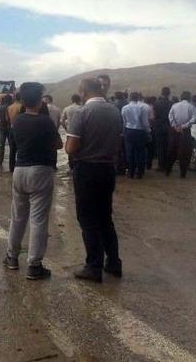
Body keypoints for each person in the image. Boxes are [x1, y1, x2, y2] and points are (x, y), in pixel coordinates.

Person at [66, 77, 123, 283]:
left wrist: (68, 147)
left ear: (83, 92)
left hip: (87, 169)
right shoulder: (115, 111)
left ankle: (93, 266)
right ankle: (114, 262)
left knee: (88, 219)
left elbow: (71, 148)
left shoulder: (82, 113)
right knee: (105, 217)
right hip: (108, 168)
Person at [3, 82, 61, 281]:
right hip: (41, 171)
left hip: (20, 170)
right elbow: (58, 144)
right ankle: (34, 265)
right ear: (40, 99)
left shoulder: (17, 121)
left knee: (18, 216)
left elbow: (14, 142)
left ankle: (11, 257)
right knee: (38, 219)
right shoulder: (45, 122)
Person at [165, 91, 196, 178]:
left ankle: (167, 170)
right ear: (189, 97)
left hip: (174, 130)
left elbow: (170, 116)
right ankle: (183, 173)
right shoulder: (192, 107)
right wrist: (183, 126)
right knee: (184, 152)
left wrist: (175, 126)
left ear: (181, 97)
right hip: (185, 131)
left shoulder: (174, 105)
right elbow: (193, 119)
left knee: (171, 150)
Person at [121, 92, 150, 179]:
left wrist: (124, 131)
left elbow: (124, 121)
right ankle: (139, 172)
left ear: (129, 98)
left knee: (130, 153)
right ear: (137, 98)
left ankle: (131, 172)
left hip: (129, 131)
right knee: (140, 152)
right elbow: (145, 123)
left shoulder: (125, 108)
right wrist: (148, 131)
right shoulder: (142, 108)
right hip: (140, 132)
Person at [153, 87, 172, 171]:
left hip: (159, 127)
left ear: (161, 93)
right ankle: (168, 165)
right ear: (169, 93)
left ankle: (161, 166)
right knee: (168, 147)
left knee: (160, 147)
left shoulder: (157, 103)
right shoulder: (172, 103)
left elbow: (155, 116)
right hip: (169, 127)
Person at [6, 92, 23, 172]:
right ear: (21, 98)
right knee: (21, 149)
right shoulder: (21, 107)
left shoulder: (9, 107)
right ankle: (20, 166)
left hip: (12, 128)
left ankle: (11, 167)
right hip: (20, 129)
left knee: (12, 150)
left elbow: (7, 119)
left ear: (14, 98)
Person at [0, 94, 13, 171]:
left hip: (2, 127)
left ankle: (0, 161)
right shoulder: (11, 107)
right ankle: (12, 161)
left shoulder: (1, 107)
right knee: (11, 145)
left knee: (1, 144)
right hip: (10, 127)